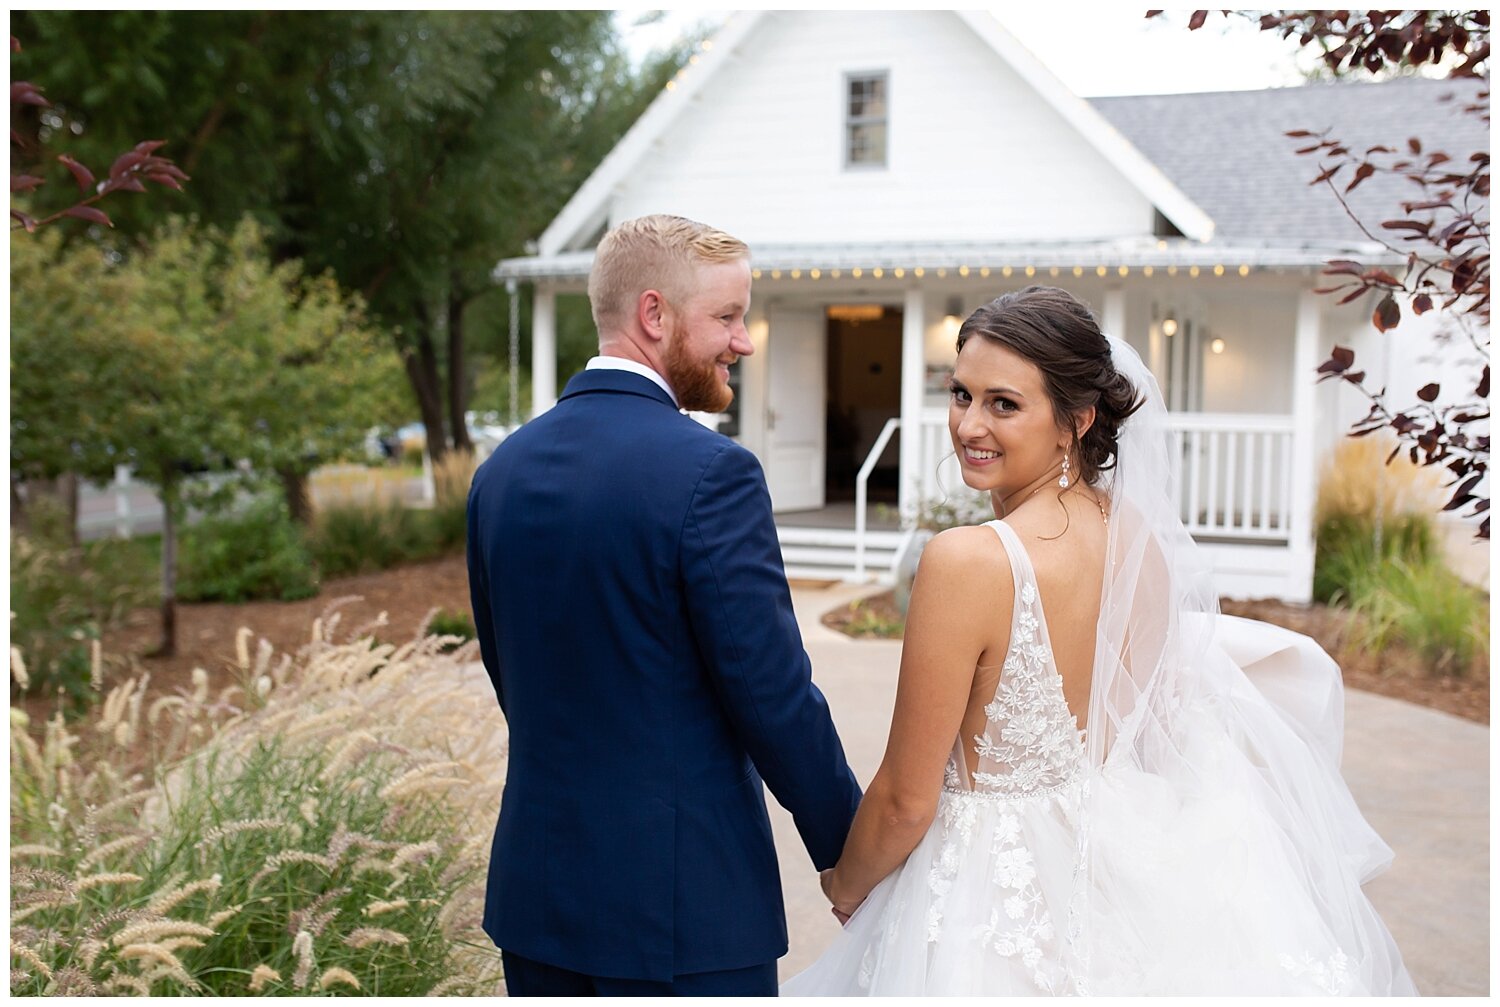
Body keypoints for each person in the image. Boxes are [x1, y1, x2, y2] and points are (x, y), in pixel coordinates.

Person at [782, 285, 1416, 995]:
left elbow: (905, 797)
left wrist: (847, 879)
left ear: (1075, 420)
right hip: (1110, 874)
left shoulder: (968, 560)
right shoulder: (1137, 538)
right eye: (961, 395)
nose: (968, 425)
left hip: (985, 903)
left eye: (1004, 403)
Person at [466, 214, 862, 996]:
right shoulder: (714, 473)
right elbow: (773, 697)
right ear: (655, 315)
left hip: (537, 903)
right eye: (726, 317)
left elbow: (514, 677)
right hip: (683, 915)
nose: (742, 341)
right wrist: (853, 853)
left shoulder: (500, 472)